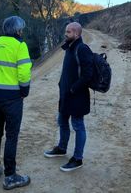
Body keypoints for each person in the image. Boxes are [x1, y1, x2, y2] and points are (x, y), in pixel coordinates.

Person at [0, 16, 32, 190]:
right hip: (12, 98)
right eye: (22, 29)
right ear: (18, 30)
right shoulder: (20, 45)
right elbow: (24, 73)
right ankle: (11, 176)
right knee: (11, 135)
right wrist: (24, 91)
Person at [44, 22, 93, 172]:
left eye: (69, 32)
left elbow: (88, 75)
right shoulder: (70, 48)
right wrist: (62, 85)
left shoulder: (82, 49)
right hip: (65, 94)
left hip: (77, 96)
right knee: (62, 121)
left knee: (78, 126)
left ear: (77, 34)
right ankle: (62, 148)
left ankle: (77, 159)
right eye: (66, 31)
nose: (66, 34)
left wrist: (73, 88)